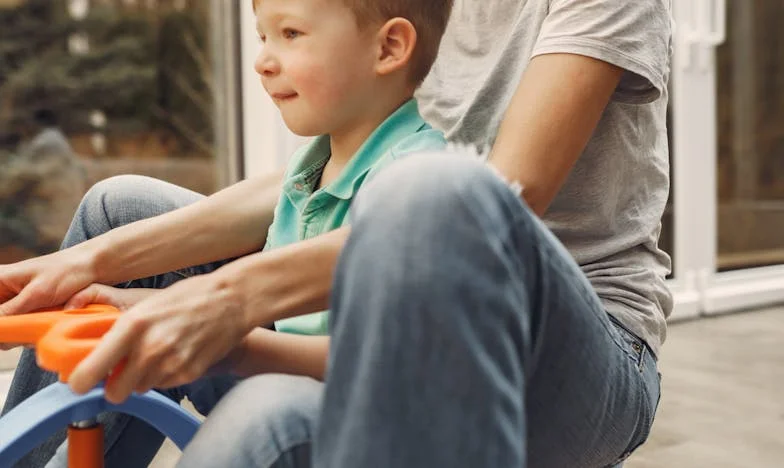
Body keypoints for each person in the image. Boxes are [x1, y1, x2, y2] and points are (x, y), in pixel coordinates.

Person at [2, 0, 674, 466]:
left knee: (436, 196)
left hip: (572, 350)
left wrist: (230, 306)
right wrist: (93, 259)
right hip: (396, 275)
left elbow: (485, 208)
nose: (267, 59)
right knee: (119, 210)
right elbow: (322, 179)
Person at [0, 0, 451, 466]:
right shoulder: (314, 163)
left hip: (348, 418)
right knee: (120, 249)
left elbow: (381, 369)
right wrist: (151, 308)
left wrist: (230, 346)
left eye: (291, 34)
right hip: (280, 367)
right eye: (261, 36)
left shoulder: (416, 185)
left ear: (389, 47)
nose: (262, 61)